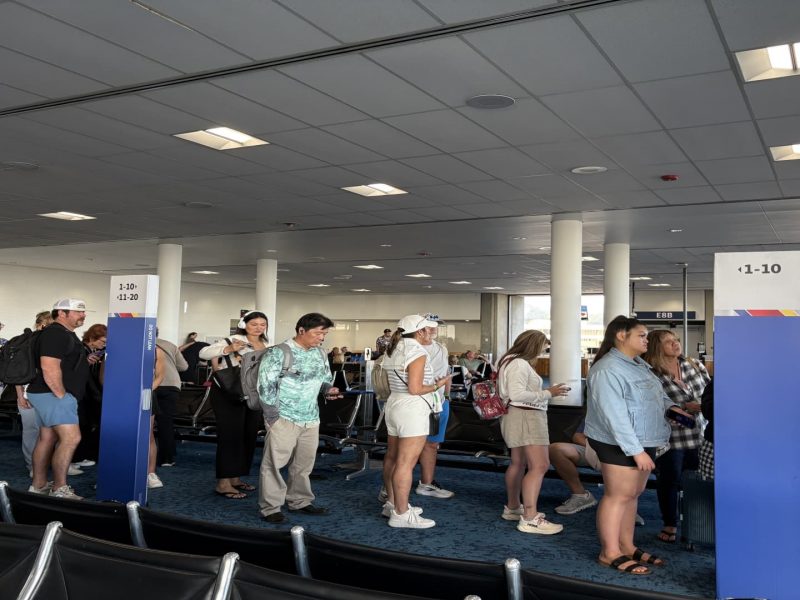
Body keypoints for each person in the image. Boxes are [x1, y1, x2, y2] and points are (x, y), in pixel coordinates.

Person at [585, 316, 687, 575]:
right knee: (617, 496)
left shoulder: (639, 364)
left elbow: (657, 396)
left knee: (632, 496)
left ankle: (627, 545)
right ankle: (609, 552)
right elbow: (614, 416)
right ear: (621, 335)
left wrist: (672, 408)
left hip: (644, 439)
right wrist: (636, 451)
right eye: (641, 335)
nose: (646, 340)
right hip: (620, 443)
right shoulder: (607, 369)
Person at [257, 313, 342, 523]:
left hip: (311, 418)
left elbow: (324, 380)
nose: (321, 338)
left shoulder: (320, 353)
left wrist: (328, 390)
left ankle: (300, 501)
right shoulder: (279, 353)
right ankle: (271, 507)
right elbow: (265, 386)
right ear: (301, 330)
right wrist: (273, 418)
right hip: (284, 417)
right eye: (318, 333)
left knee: (303, 465)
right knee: (274, 464)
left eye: (324, 333)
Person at [381, 314, 451, 529]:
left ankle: (392, 503)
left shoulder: (392, 349)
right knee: (406, 463)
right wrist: (439, 385)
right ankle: (401, 514)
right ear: (419, 332)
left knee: (392, 457)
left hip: (394, 405)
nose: (430, 333)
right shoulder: (416, 351)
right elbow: (415, 389)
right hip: (412, 409)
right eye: (427, 330)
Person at [27, 298, 100, 500]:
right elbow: (49, 367)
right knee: (71, 438)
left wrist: (84, 362)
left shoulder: (65, 334)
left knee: (47, 438)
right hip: (53, 394)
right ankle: (60, 488)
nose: (83, 315)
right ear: (61, 313)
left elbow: (63, 363)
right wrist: (62, 395)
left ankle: (39, 485)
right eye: (77, 312)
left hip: (47, 393)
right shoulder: (55, 334)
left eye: (84, 312)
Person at [497, 330, 568, 535]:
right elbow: (517, 394)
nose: (543, 352)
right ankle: (530, 517)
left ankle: (513, 508)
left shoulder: (508, 360)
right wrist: (548, 393)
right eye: (543, 347)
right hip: (527, 416)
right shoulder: (519, 363)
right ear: (533, 345)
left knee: (518, 463)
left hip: (515, 415)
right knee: (540, 465)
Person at [643, 330, 710, 544]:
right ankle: (670, 523)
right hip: (671, 437)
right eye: (668, 342)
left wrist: (703, 406)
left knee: (695, 480)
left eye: (676, 340)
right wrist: (681, 408)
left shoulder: (693, 365)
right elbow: (648, 404)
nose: (675, 344)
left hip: (700, 433)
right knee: (669, 480)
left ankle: (695, 524)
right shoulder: (650, 373)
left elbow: (710, 392)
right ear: (656, 347)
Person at [199, 311, 268, 499]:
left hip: (252, 394)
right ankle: (223, 483)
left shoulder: (266, 344)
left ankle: (235, 478)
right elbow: (203, 353)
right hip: (229, 393)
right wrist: (228, 350)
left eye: (263, 324)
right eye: (254, 324)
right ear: (244, 324)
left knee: (248, 435)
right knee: (230, 436)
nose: (259, 327)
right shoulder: (233, 340)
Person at [416, 313, 455, 499]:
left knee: (432, 444)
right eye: (428, 325)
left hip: (438, 402)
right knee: (407, 445)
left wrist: (446, 396)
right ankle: (391, 488)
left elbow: (446, 373)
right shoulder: (410, 349)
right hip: (416, 402)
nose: (432, 329)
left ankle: (427, 484)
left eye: (435, 326)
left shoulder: (441, 348)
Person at [15, 310, 54, 476]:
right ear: (40, 324)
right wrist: (20, 396)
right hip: (27, 393)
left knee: (47, 432)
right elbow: (18, 372)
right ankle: (32, 466)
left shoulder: (51, 344)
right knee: (31, 431)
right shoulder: (26, 344)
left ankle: (42, 464)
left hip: (47, 394)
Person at [70, 324, 107, 471]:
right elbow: (73, 371)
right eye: (102, 341)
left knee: (85, 426)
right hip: (80, 394)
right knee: (80, 426)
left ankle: (79, 456)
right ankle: (74, 459)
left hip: (85, 394)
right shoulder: (81, 350)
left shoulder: (90, 351)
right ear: (92, 338)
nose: (104, 345)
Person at [549, 419, 599, 515]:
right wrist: (599, 449)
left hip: (625, 452)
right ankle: (581, 495)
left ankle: (627, 506)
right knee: (555, 450)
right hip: (596, 449)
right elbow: (577, 436)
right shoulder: (598, 407)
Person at [154, 336, 189, 468]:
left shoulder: (138, 343)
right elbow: (184, 366)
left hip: (151, 384)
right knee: (166, 422)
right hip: (171, 385)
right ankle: (167, 459)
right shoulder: (169, 344)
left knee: (147, 423)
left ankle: (144, 456)